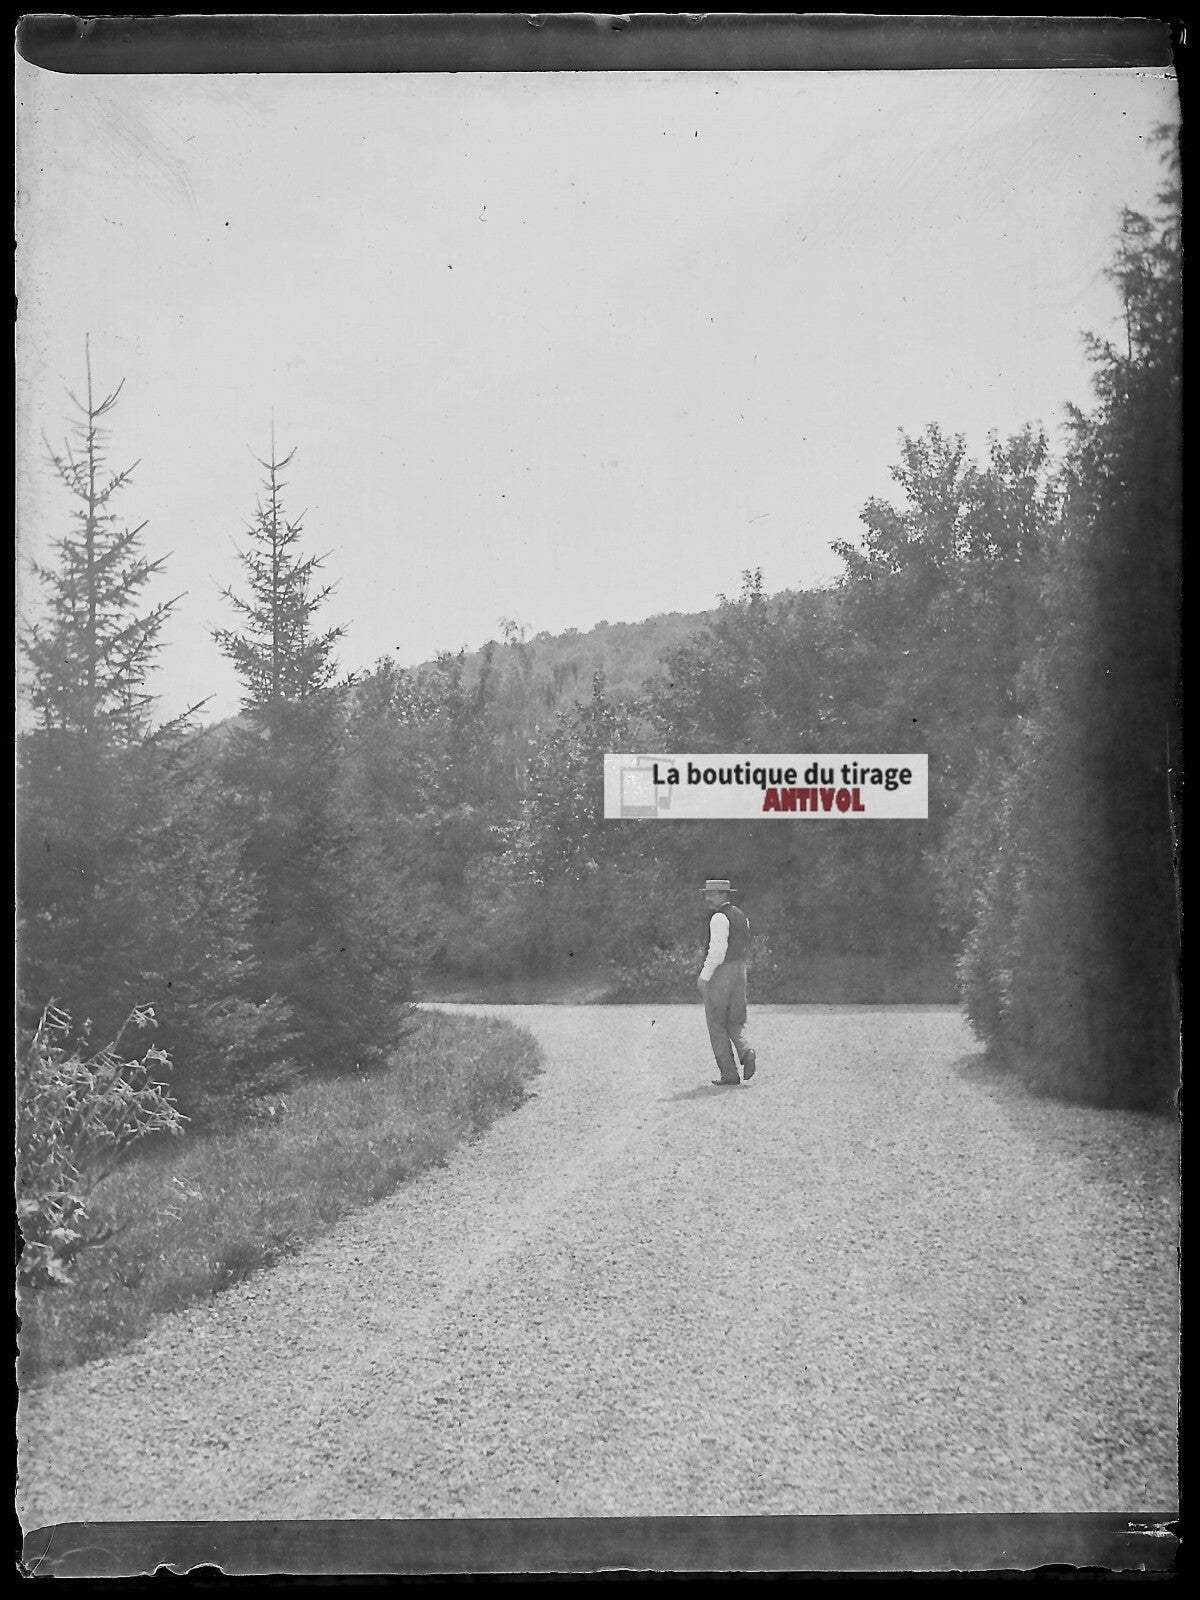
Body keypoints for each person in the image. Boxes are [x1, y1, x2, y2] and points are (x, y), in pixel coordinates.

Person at [697, 878, 757, 1086]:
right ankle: (746, 1051)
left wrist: (705, 976)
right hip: (740, 970)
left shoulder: (718, 918)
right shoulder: (742, 916)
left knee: (716, 1022)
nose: (708, 898)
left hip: (722, 972)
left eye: (712, 894)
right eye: (707, 894)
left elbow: (717, 951)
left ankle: (729, 1073)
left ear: (723, 895)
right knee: (735, 1019)